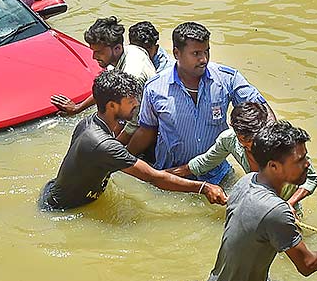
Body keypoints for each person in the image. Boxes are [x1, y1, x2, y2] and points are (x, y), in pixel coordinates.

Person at [195, 122, 317, 281]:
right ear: (273, 166)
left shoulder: (247, 182)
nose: (307, 164)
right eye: (300, 160)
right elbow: (307, 265)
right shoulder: (275, 212)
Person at [40, 71, 228, 211]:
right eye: (130, 101)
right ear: (112, 106)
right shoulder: (104, 146)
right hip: (65, 209)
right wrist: (204, 187)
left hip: (55, 193)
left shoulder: (88, 123)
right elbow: (154, 178)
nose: (137, 104)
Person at [127, 22, 266, 184]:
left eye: (207, 51)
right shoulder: (155, 88)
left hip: (217, 175)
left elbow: (260, 110)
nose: (204, 59)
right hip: (172, 176)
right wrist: (124, 161)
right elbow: (146, 131)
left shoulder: (227, 79)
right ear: (177, 53)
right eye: (196, 53)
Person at [168, 102, 317, 218]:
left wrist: (289, 204)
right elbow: (204, 162)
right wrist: (162, 175)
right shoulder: (229, 139)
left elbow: (311, 178)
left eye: (254, 139)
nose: (251, 145)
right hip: (257, 205)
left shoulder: (281, 143)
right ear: (233, 129)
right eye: (244, 140)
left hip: (288, 208)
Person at [51, 16, 156, 115]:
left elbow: (134, 123)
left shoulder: (133, 76)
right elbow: (105, 90)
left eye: (99, 52)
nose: (93, 57)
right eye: (93, 51)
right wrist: (78, 108)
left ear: (117, 48)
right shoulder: (130, 50)